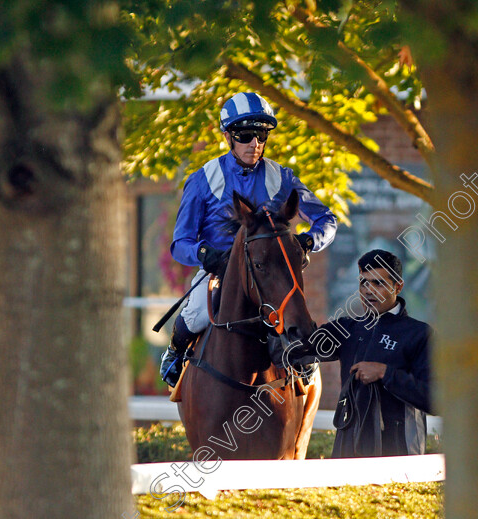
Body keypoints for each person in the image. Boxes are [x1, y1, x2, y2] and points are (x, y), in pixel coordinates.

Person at [160, 92, 338, 386]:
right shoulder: (202, 179)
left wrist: (307, 242)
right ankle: (175, 352)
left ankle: (305, 366)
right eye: (245, 135)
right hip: (221, 272)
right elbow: (180, 243)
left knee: (296, 313)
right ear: (228, 136)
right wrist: (205, 255)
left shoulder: (282, 177)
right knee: (195, 313)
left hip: (269, 273)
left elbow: (326, 220)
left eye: (261, 134)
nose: (254, 143)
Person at [279, 249, 432, 457]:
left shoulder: (420, 334)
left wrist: (385, 373)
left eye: (378, 283)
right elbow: (296, 350)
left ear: (398, 286)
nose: (368, 291)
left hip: (400, 456)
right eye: (363, 282)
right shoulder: (346, 328)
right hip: (347, 452)